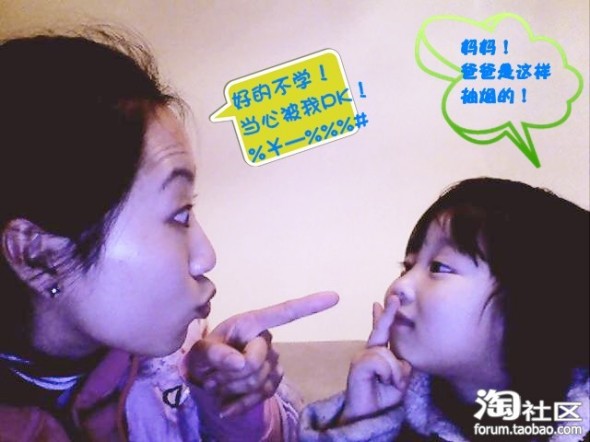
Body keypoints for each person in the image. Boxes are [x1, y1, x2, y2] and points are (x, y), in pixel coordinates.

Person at [0, 29, 338, 441]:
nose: (206, 256)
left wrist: (233, 412)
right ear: (37, 255)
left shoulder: (182, 366)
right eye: (179, 214)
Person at [299, 177, 589, 441]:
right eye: (407, 267)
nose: (399, 286)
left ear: (535, 301)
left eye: (439, 267)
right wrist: (362, 422)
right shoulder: (397, 413)